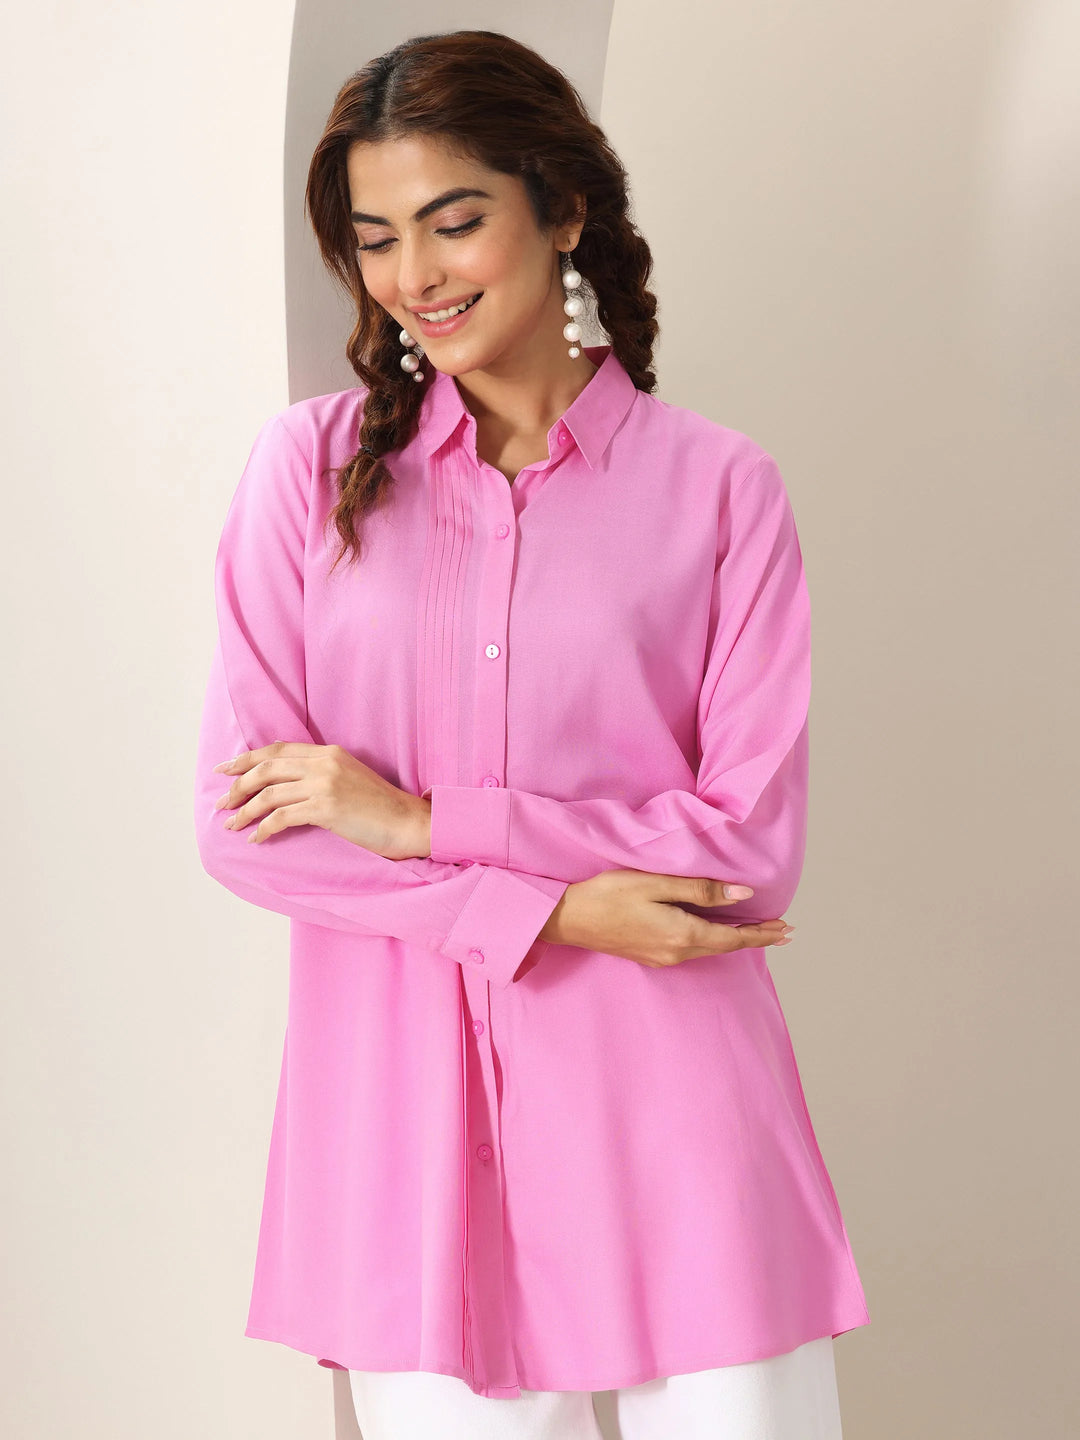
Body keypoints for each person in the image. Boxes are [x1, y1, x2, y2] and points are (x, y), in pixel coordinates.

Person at [193, 28, 870, 1440]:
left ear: (561, 208)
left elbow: (744, 852)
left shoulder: (719, 491)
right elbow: (251, 832)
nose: (413, 275)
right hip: (407, 1156)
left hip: (675, 1133)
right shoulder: (307, 474)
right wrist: (555, 911)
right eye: (376, 238)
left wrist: (421, 823)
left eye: (454, 221)